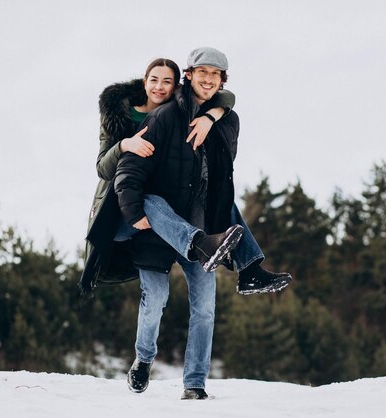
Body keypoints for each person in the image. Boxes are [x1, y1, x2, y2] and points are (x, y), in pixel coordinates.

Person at [80, 57, 291, 295]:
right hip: (120, 206)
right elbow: (102, 168)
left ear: (177, 86)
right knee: (151, 202)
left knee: (218, 196)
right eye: (154, 80)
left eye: (167, 82)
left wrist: (211, 116)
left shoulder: (174, 112)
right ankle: (199, 243)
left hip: (162, 203)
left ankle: (250, 268)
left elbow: (225, 96)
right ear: (144, 82)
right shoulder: (120, 115)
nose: (160, 87)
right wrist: (123, 145)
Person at [114, 47, 254, 400]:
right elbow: (128, 169)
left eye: (216, 74)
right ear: (189, 74)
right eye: (202, 72)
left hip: (202, 227)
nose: (208, 79)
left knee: (205, 308)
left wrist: (213, 116)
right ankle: (143, 360)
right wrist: (134, 213)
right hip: (159, 225)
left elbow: (223, 176)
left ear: (222, 81)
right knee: (155, 300)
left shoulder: (227, 120)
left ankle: (194, 384)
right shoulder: (163, 117)